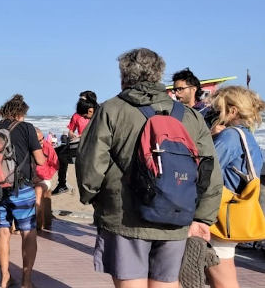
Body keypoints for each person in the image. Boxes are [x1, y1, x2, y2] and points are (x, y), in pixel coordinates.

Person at [76, 48, 223, 288]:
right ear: (159, 75)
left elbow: (90, 163)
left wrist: (91, 196)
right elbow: (209, 171)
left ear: (124, 76)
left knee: (131, 282)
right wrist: (202, 217)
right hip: (177, 215)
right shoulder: (189, 115)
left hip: (125, 215)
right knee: (167, 282)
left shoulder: (111, 110)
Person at [205, 86, 265, 288]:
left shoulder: (229, 136)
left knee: (222, 276)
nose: (214, 112)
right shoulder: (248, 137)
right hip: (232, 212)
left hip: (221, 214)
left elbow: (206, 170)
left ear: (232, 111)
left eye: (217, 108)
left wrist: (208, 137)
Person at [0, 94, 45, 288]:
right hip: (22, 188)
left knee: (3, 232)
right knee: (28, 232)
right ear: (21, 113)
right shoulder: (27, 128)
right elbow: (41, 160)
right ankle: (26, 282)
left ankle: (4, 278)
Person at [53, 95, 97, 195]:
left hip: (90, 144)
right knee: (57, 152)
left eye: (83, 100)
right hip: (78, 143)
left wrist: (82, 135)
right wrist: (72, 135)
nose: (80, 102)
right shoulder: (76, 115)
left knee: (62, 155)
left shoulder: (98, 113)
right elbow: (70, 131)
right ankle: (62, 184)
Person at [34, 127, 59, 231]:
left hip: (44, 178)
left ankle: (36, 223)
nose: (41, 142)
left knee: (38, 190)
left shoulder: (47, 147)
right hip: (28, 178)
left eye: (42, 139)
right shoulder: (27, 147)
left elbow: (55, 165)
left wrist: (42, 176)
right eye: (38, 140)